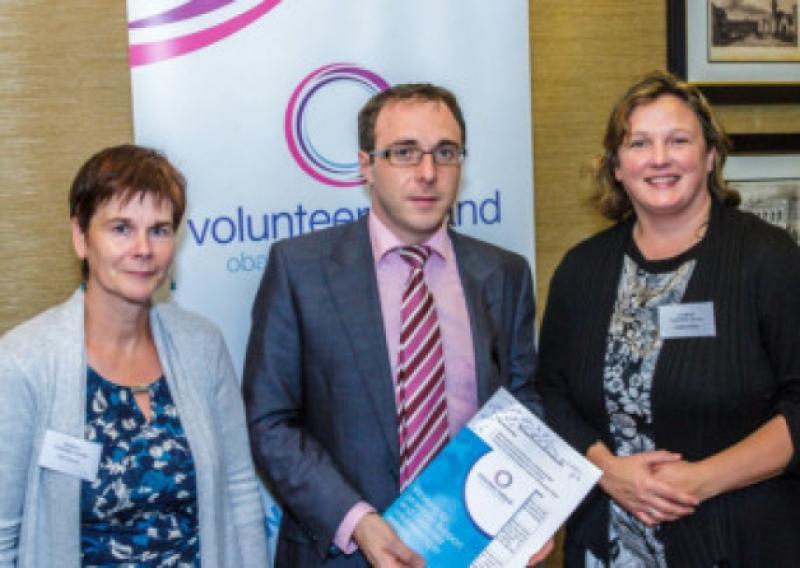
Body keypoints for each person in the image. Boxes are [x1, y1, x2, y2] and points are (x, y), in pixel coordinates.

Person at [244, 83, 551, 567]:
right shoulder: (300, 270)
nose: (428, 173)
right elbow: (270, 422)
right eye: (405, 152)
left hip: (475, 551)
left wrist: (525, 517)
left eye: (445, 153)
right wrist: (357, 521)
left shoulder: (504, 273)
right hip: (344, 555)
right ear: (366, 165)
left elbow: (522, 403)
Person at [537, 70, 800, 566]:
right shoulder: (581, 269)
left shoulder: (768, 259)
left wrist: (701, 480)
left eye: (678, 140)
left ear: (710, 156)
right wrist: (607, 471)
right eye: (639, 143)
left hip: (738, 541)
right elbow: (552, 392)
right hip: (607, 543)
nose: (659, 158)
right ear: (617, 166)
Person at [0, 145, 268, 566]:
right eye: (121, 228)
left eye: (159, 230)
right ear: (80, 236)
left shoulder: (203, 346)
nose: (143, 248)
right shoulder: (23, 362)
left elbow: (239, 491)